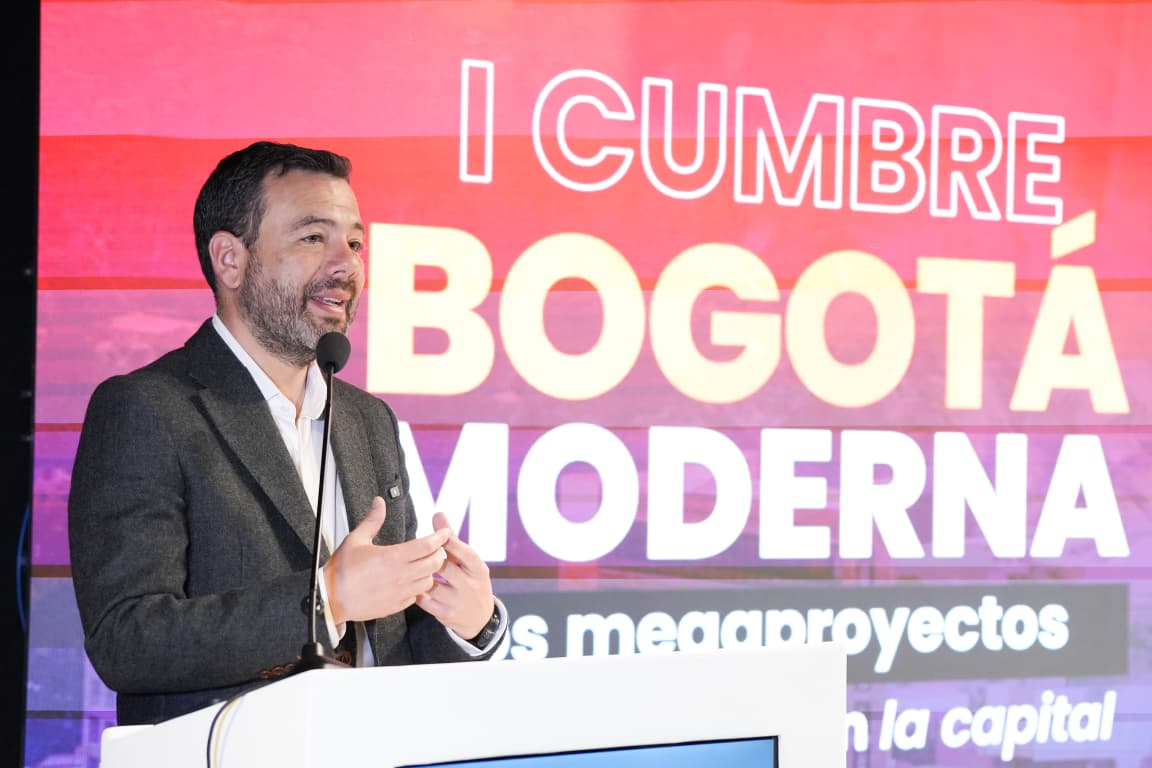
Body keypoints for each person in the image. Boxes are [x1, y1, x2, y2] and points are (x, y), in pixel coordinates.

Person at [68, 141, 507, 726]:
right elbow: (128, 640)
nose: (346, 263)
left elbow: (392, 643)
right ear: (230, 259)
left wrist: (469, 623)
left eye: (354, 241)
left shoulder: (367, 420)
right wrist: (326, 601)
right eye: (312, 237)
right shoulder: (149, 409)